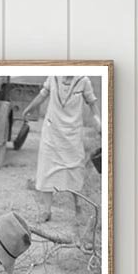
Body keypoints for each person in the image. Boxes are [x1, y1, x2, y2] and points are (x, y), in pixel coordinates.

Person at [23, 75, 101, 222]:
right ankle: (46, 211)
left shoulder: (83, 81)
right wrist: (28, 109)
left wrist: (99, 122)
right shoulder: (53, 77)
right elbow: (42, 96)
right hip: (52, 132)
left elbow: (93, 105)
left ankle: (78, 209)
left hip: (73, 133)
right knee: (47, 170)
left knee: (75, 170)